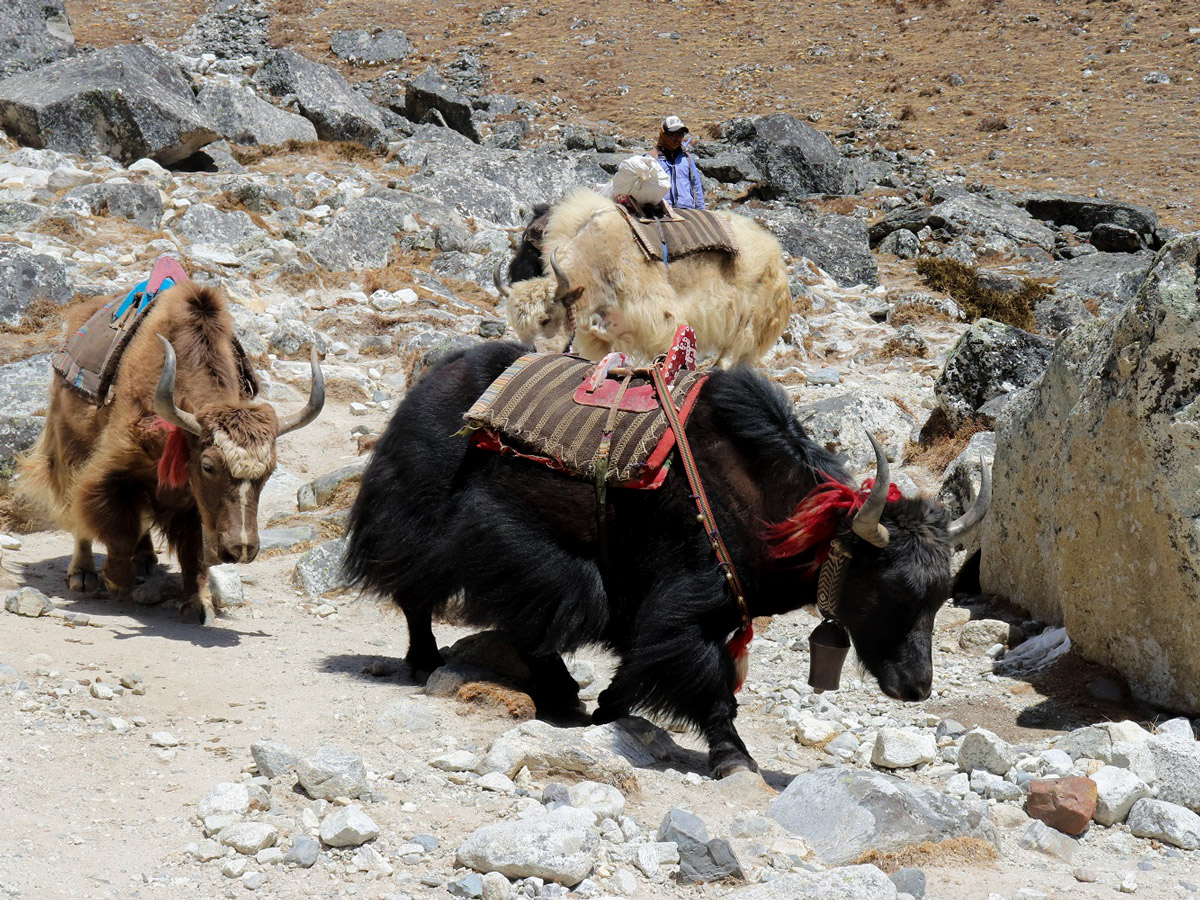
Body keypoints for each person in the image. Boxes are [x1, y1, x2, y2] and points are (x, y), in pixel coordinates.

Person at [650, 115, 705, 210]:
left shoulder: (686, 157)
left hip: (687, 210)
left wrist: (701, 210)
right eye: (673, 134)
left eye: (680, 134)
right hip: (663, 211)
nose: (677, 138)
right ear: (664, 135)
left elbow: (695, 184)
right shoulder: (653, 158)